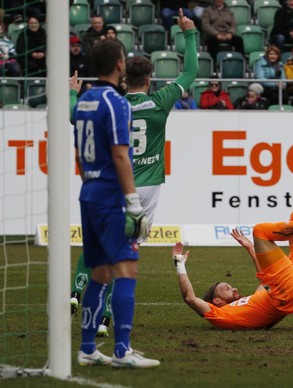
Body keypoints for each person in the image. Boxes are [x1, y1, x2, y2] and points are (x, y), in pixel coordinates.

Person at [70, 8, 199, 338]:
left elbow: (75, 116)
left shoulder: (117, 103)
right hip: (147, 189)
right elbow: (191, 72)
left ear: (125, 79)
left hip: (117, 184)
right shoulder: (161, 101)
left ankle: (78, 290)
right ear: (151, 79)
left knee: (101, 246)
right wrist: (189, 33)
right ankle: (107, 318)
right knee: (126, 255)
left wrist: (73, 90)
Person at [172, 144, 293, 330]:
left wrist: (250, 248)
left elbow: (267, 278)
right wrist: (179, 264)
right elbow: (189, 298)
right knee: (260, 231)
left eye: (229, 286)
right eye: (226, 289)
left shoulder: (252, 302)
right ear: (216, 300)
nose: (234, 289)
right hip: (290, 292)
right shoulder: (220, 315)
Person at [72, 38, 160, 368]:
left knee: (99, 272)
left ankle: (87, 348)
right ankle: (122, 350)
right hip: (110, 198)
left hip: (89, 193)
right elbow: (121, 155)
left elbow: (80, 154)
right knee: (126, 268)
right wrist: (133, 202)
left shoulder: (83, 102)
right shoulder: (117, 102)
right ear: (119, 65)